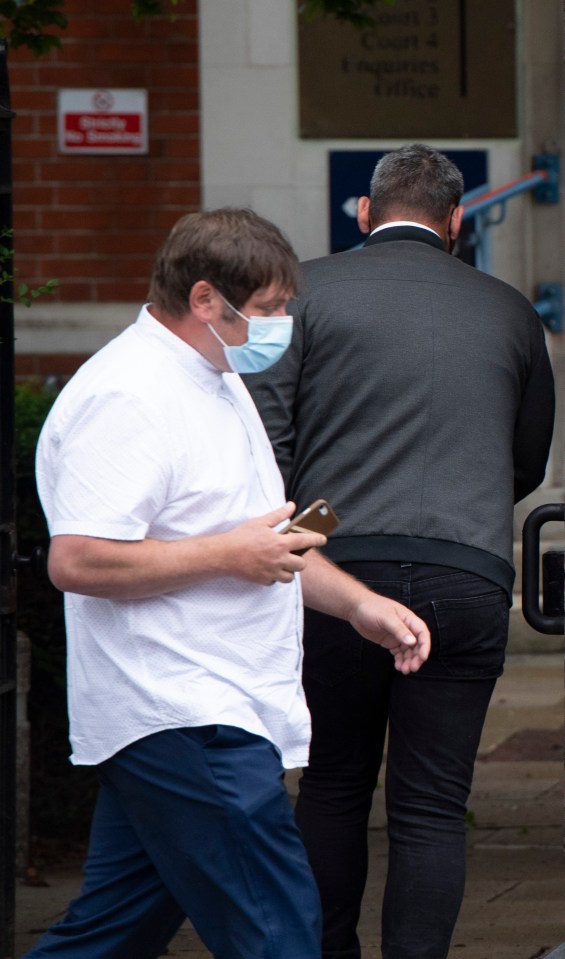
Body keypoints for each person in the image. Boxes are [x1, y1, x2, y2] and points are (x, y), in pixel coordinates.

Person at [27, 208, 431, 959]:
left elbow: (257, 536)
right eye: (270, 308)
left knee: (110, 933)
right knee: (278, 931)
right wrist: (228, 556)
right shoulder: (129, 395)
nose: (279, 323)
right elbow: (77, 560)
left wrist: (358, 604)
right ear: (206, 298)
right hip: (184, 707)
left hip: (198, 706)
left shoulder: (213, 378)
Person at [245, 145, 556, 959]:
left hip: (332, 569)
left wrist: (327, 519)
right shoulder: (508, 309)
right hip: (465, 572)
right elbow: (523, 462)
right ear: (456, 221)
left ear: (363, 212)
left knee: (335, 784)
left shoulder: (302, 295)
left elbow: (262, 449)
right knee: (430, 805)